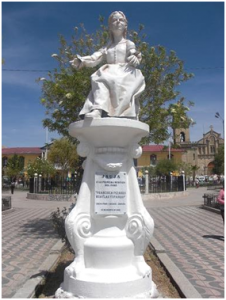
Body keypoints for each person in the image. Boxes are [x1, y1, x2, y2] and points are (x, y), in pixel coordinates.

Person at [70, 11, 145, 119]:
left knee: (107, 77)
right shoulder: (107, 47)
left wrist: (135, 58)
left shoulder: (129, 43)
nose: (118, 22)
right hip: (109, 72)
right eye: (114, 20)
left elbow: (133, 54)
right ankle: (98, 109)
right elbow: (94, 58)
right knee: (99, 77)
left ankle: (122, 112)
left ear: (125, 25)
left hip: (125, 72)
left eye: (121, 20)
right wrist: (82, 60)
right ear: (110, 26)